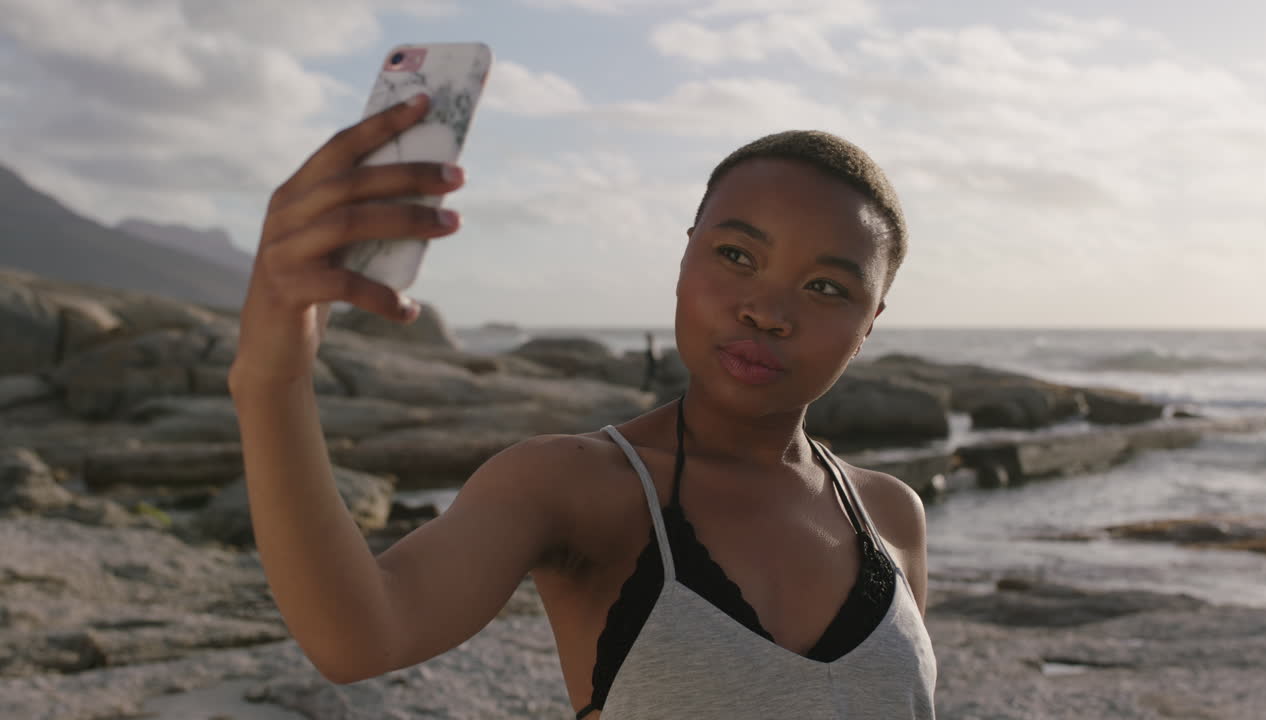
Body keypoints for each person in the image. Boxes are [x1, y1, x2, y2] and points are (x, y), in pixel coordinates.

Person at [229, 93, 936, 718]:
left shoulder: (890, 515)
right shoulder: (578, 485)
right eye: (737, 256)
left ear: (870, 320)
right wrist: (271, 380)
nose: (768, 311)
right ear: (686, 257)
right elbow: (358, 635)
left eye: (826, 289)